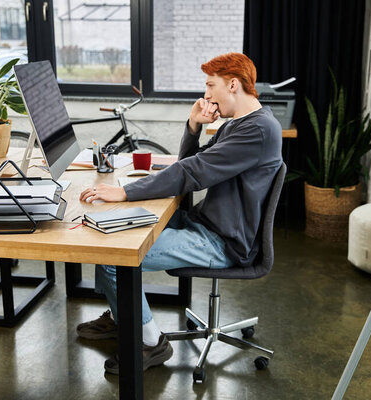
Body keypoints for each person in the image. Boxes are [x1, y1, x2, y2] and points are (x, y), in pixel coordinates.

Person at [77, 52, 283, 375]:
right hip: (206, 226)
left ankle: (149, 342)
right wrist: (193, 125)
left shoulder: (257, 131)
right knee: (110, 236)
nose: (207, 94)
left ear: (232, 84)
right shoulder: (239, 125)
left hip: (221, 243)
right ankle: (122, 318)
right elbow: (190, 165)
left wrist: (125, 191)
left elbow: (193, 172)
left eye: (210, 85)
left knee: (115, 257)